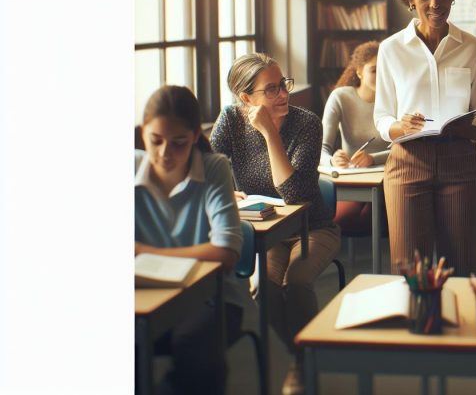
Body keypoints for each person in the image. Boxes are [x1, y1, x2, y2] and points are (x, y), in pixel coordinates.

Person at [211, 53, 341, 395]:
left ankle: (302, 362)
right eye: (271, 89)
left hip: (313, 226)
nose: (283, 94)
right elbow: (209, 171)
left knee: (296, 281)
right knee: (264, 287)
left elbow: (296, 194)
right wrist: (228, 190)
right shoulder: (230, 120)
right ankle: (295, 355)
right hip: (269, 231)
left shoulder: (306, 123)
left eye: (283, 84)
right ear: (246, 99)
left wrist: (269, 133)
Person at [374, 0, 476, 276]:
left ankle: (462, 325)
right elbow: (382, 117)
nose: (435, 4)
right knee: (410, 268)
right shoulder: (391, 50)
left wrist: (468, 128)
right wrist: (401, 127)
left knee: (462, 267)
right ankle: (416, 325)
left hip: (461, 162)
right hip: (408, 161)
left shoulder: (473, 47)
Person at [135, 85, 248, 395]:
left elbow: (226, 253)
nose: (164, 154)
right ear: (143, 132)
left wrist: (145, 252)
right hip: (145, 296)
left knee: (194, 348)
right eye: (155, 141)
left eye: (179, 143)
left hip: (213, 297)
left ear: (196, 135)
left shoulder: (214, 168)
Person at [320, 41, 391, 235]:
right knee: (341, 220)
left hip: (389, 177)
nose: (381, 76)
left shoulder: (397, 99)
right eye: (374, 70)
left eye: (385, 69)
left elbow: (405, 147)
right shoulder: (341, 97)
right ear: (359, 71)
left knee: (373, 216)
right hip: (354, 179)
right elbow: (322, 148)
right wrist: (332, 160)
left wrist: (373, 158)